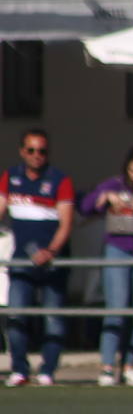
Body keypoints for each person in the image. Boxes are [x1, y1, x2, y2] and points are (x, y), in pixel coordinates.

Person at [1, 129, 75, 386]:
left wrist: (51, 251)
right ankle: (19, 369)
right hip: (22, 260)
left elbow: (66, 223)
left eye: (42, 151)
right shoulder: (10, 178)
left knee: (52, 318)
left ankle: (48, 370)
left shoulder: (59, 180)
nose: (37, 156)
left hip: (53, 262)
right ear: (22, 151)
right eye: (31, 150)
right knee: (17, 315)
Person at [80, 145, 133, 386]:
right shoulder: (114, 184)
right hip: (118, 249)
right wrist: (105, 198)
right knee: (117, 306)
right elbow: (86, 206)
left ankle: (130, 363)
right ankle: (108, 365)